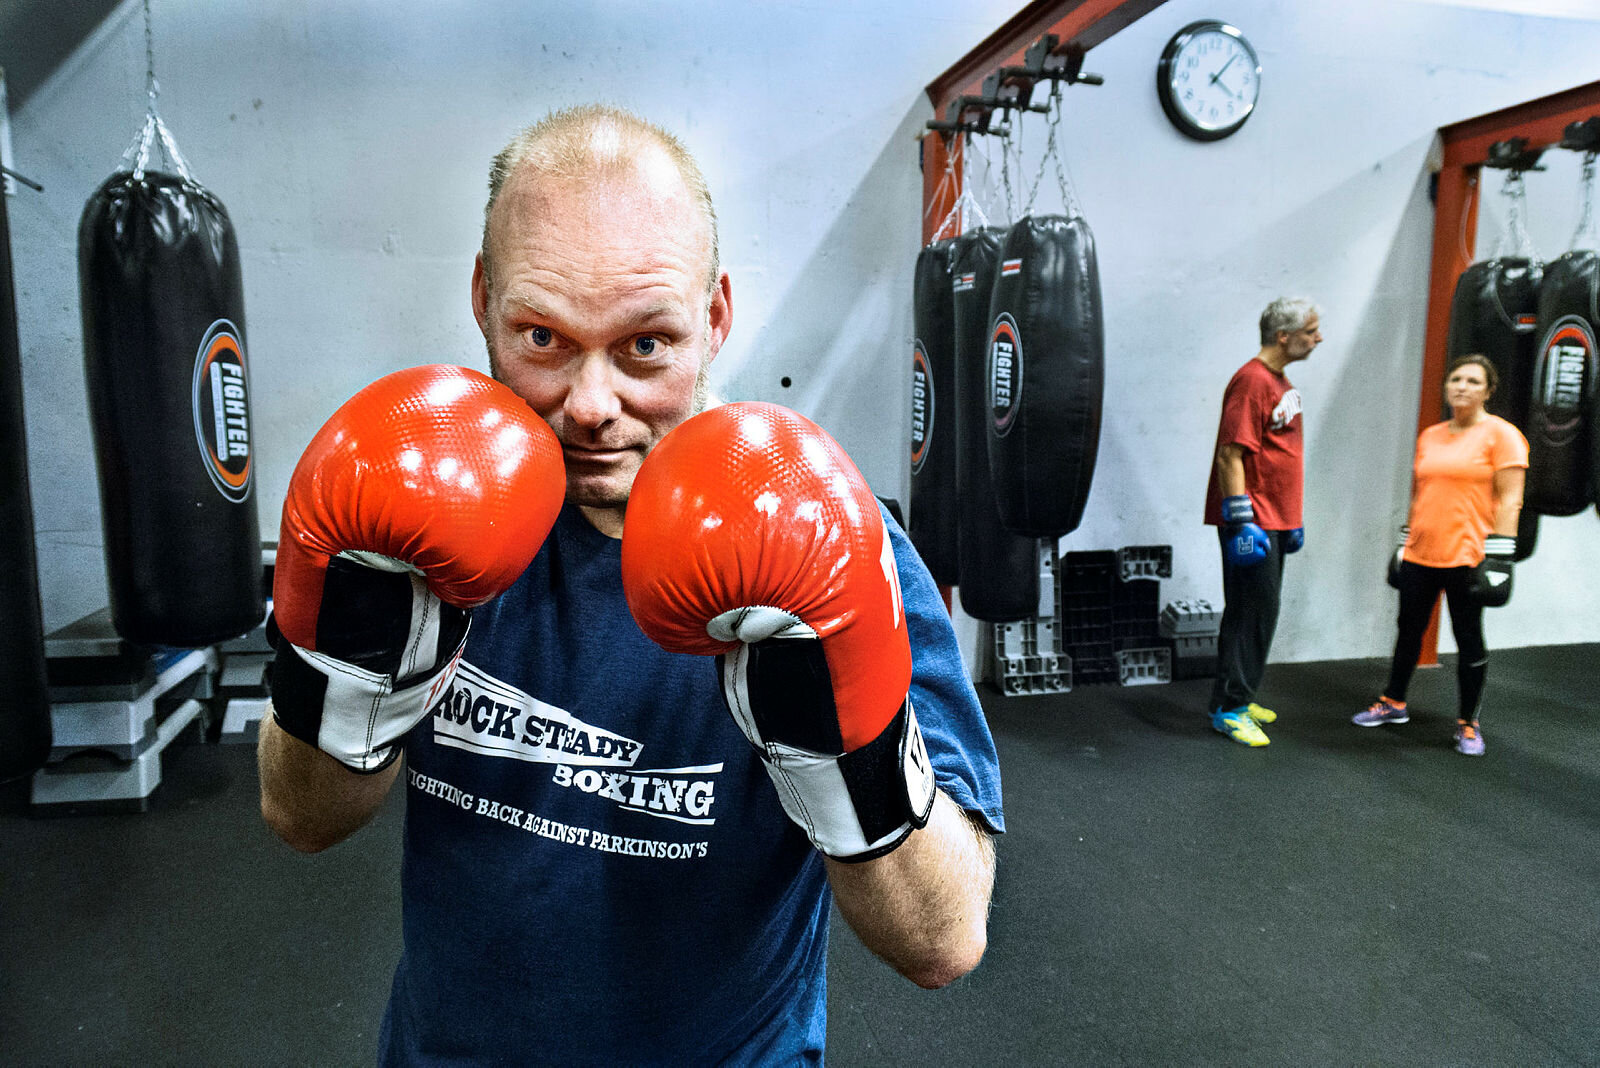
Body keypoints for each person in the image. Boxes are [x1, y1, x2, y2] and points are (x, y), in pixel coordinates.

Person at [256, 104, 1003, 1064]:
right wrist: (357, 662)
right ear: (483, 301)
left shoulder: (841, 542)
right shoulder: (410, 506)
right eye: (543, 339)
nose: (594, 406)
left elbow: (945, 941)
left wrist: (840, 744)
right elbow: (298, 817)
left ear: (715, 317)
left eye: (645, 344)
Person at [1352, 354, 1527, 756]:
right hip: (1421, 553)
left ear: (1488, 390)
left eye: (1472, 381)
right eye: (1455, 379)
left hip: (1468, 556)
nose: (1461, 387)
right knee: (1408, 631)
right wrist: (1405, 541)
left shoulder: (1503, 436)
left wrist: (1500, 557)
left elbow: (1511, 499)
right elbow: (1423, 495)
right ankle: (1393, 702)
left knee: (1468, 639)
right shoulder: (1430, 436)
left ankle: (1468, 724)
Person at [1202, 297, 1323, 747]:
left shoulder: (1277, 381)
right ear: (1283, 336)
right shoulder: (1251, 381)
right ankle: (1231, 710)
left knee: (1257, 613)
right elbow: (1230, 453)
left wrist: (1290, 517)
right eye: (1312, 330)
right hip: (1252, 521)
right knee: (1251, 613)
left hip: (1273, 518)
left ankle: (1233, 697)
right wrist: (1239, 519)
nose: (1319, 337)